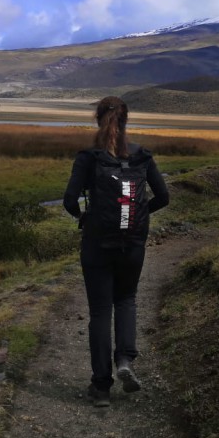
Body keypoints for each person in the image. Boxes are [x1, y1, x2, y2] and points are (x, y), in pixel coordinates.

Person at [62, 96, 169, 407]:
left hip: (97, 244)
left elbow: (69, 200)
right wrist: (139, 215)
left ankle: (101, 386)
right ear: (125, 120)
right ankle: (124, 359)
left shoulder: (89, 157)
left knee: (99, 311)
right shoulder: (142, 156)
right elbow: (163, 197)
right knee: (126, 299)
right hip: (133, 242)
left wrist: (84, 216)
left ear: (98, 119)